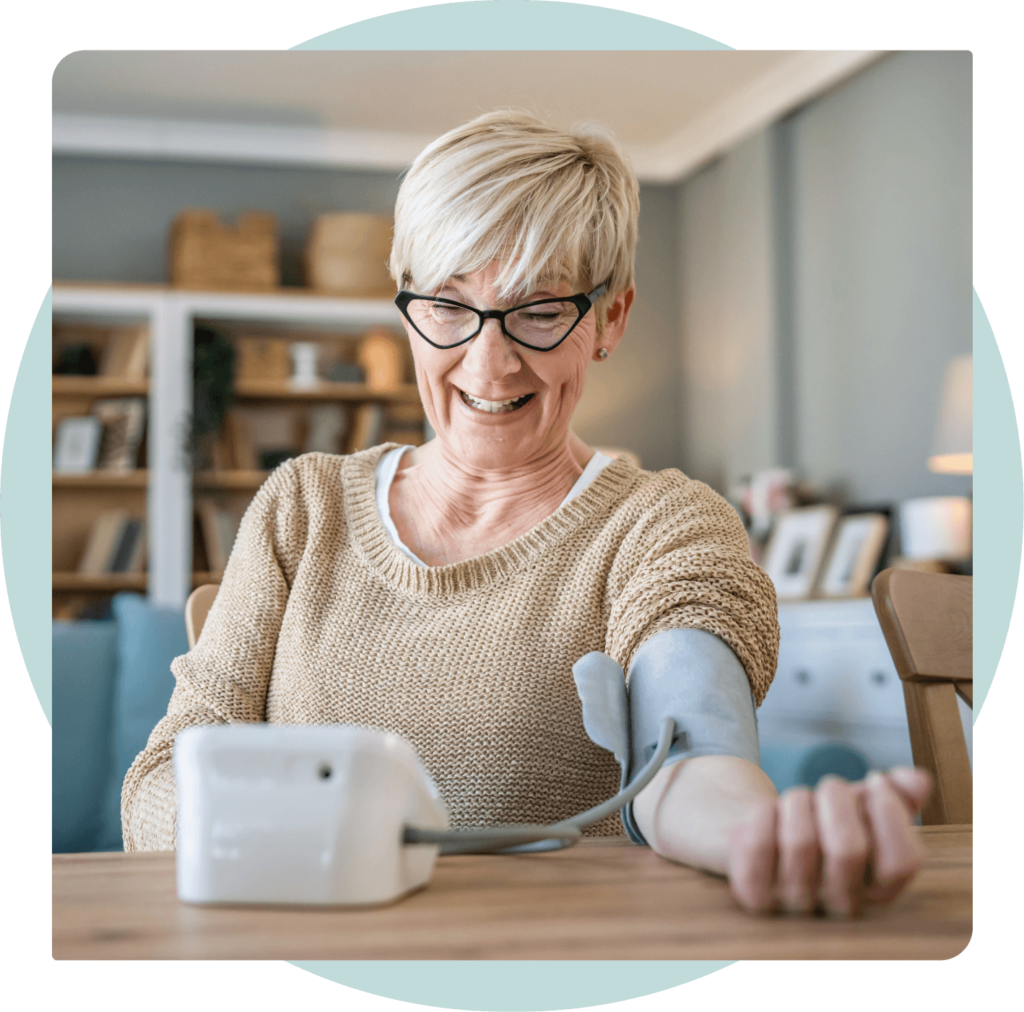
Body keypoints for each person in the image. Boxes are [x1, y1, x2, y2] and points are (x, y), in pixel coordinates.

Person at [122, 110, 932, 917]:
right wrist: (307, 839)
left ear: (608, 319)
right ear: (404, 304)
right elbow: (162, 781)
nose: (488, 361)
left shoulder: (665, 525)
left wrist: (759, 832)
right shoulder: (302, 506)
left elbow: (688, 753)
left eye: (540, 311)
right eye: (447, 303)